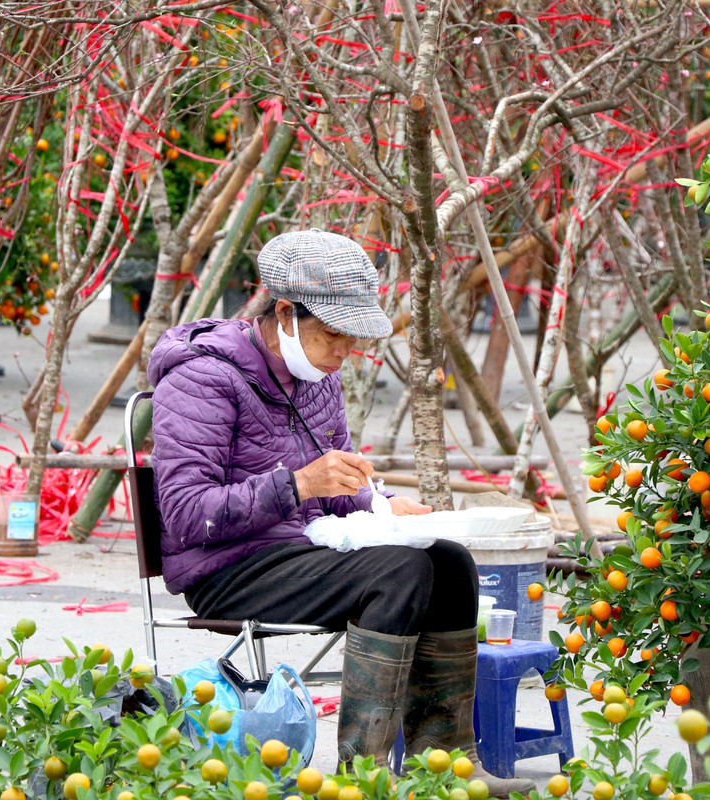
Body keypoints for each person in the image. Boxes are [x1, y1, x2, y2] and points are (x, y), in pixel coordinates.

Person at [147, 229, 533, 798]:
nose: (343, 353)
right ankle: (365, 777)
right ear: (283, 313)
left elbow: (330, 487)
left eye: (352, 339)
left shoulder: (315, 377)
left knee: (447, 562)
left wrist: (378, 504)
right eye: (333, 336)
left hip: (299, 550)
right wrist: (297, 485)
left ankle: (444, 766)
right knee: (399, 574)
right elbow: (185, 514)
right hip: (227, 568)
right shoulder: (203, 377)